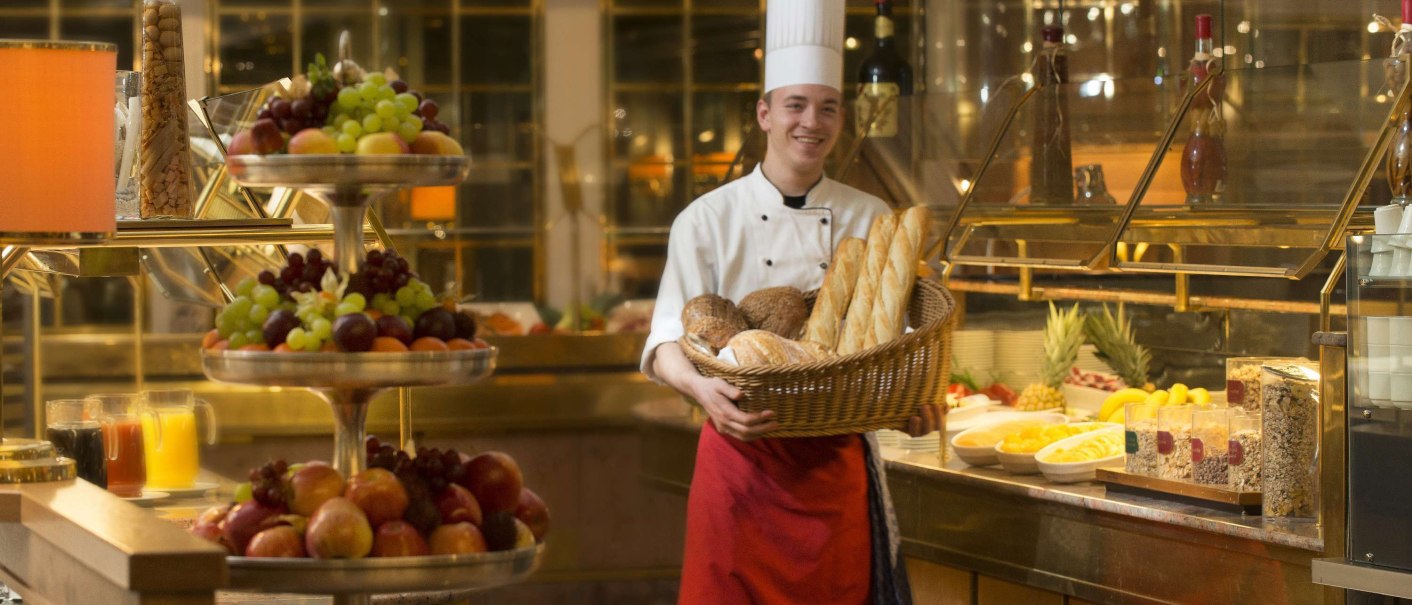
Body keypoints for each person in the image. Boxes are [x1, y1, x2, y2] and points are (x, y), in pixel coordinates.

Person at [640, 1, 938, 602]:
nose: (812, 121)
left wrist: (917, 401)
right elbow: (666, 342)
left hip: (836, 470)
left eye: (827, 107)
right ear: (765, 114)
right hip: (740, 460)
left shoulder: (872, 219)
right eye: (796, 105)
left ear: (842, 118)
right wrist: (704, 392)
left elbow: (893, 350)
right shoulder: (706, 219)